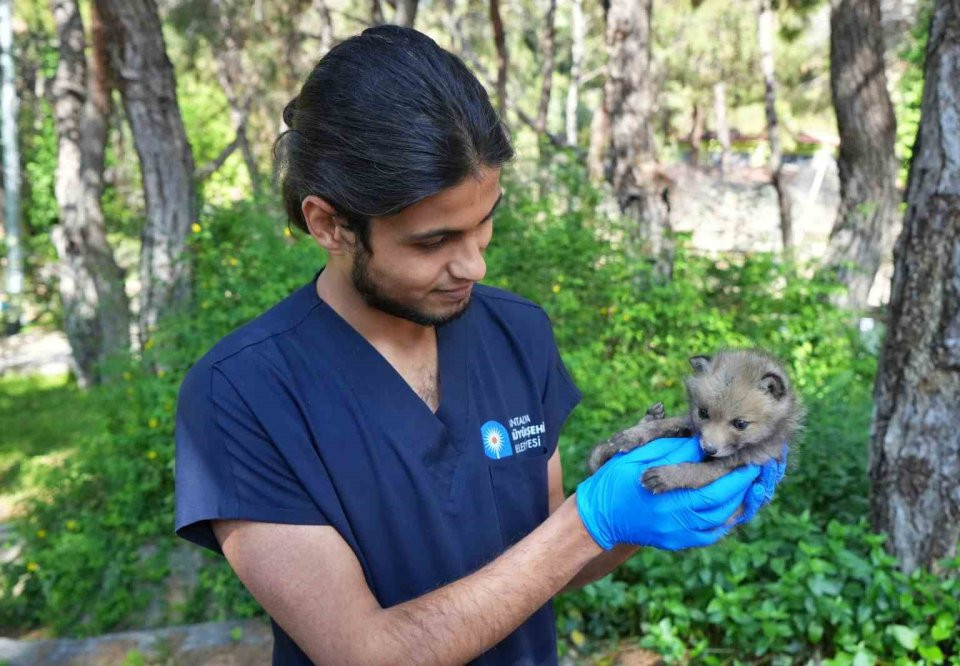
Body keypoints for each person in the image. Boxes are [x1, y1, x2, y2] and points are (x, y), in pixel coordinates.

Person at [173, 25, 784, 666]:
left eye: (484, 221)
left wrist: (656, 501)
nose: (474, 266)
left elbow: (551, 564)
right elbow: (364, 654)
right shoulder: (242, 394)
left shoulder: (517, 333)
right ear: (330, 224)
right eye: (433, 241)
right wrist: (590, 520)